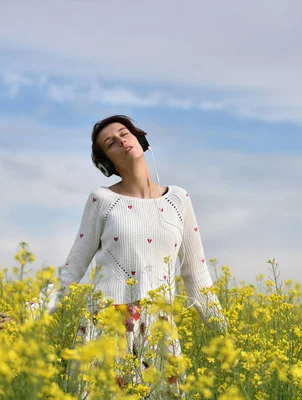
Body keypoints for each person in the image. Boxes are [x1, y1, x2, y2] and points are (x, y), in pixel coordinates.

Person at [49, 115, 227, 397]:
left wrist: (227, 335)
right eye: (111, 143)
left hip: (159, 332)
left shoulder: (178, 199)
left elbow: (197, 275)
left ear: (140, 140)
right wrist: (27, 315)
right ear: (108, 163)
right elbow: (71, 271)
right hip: (104, 330)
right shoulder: (102, 201)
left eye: (124, 133)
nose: (121, 140)